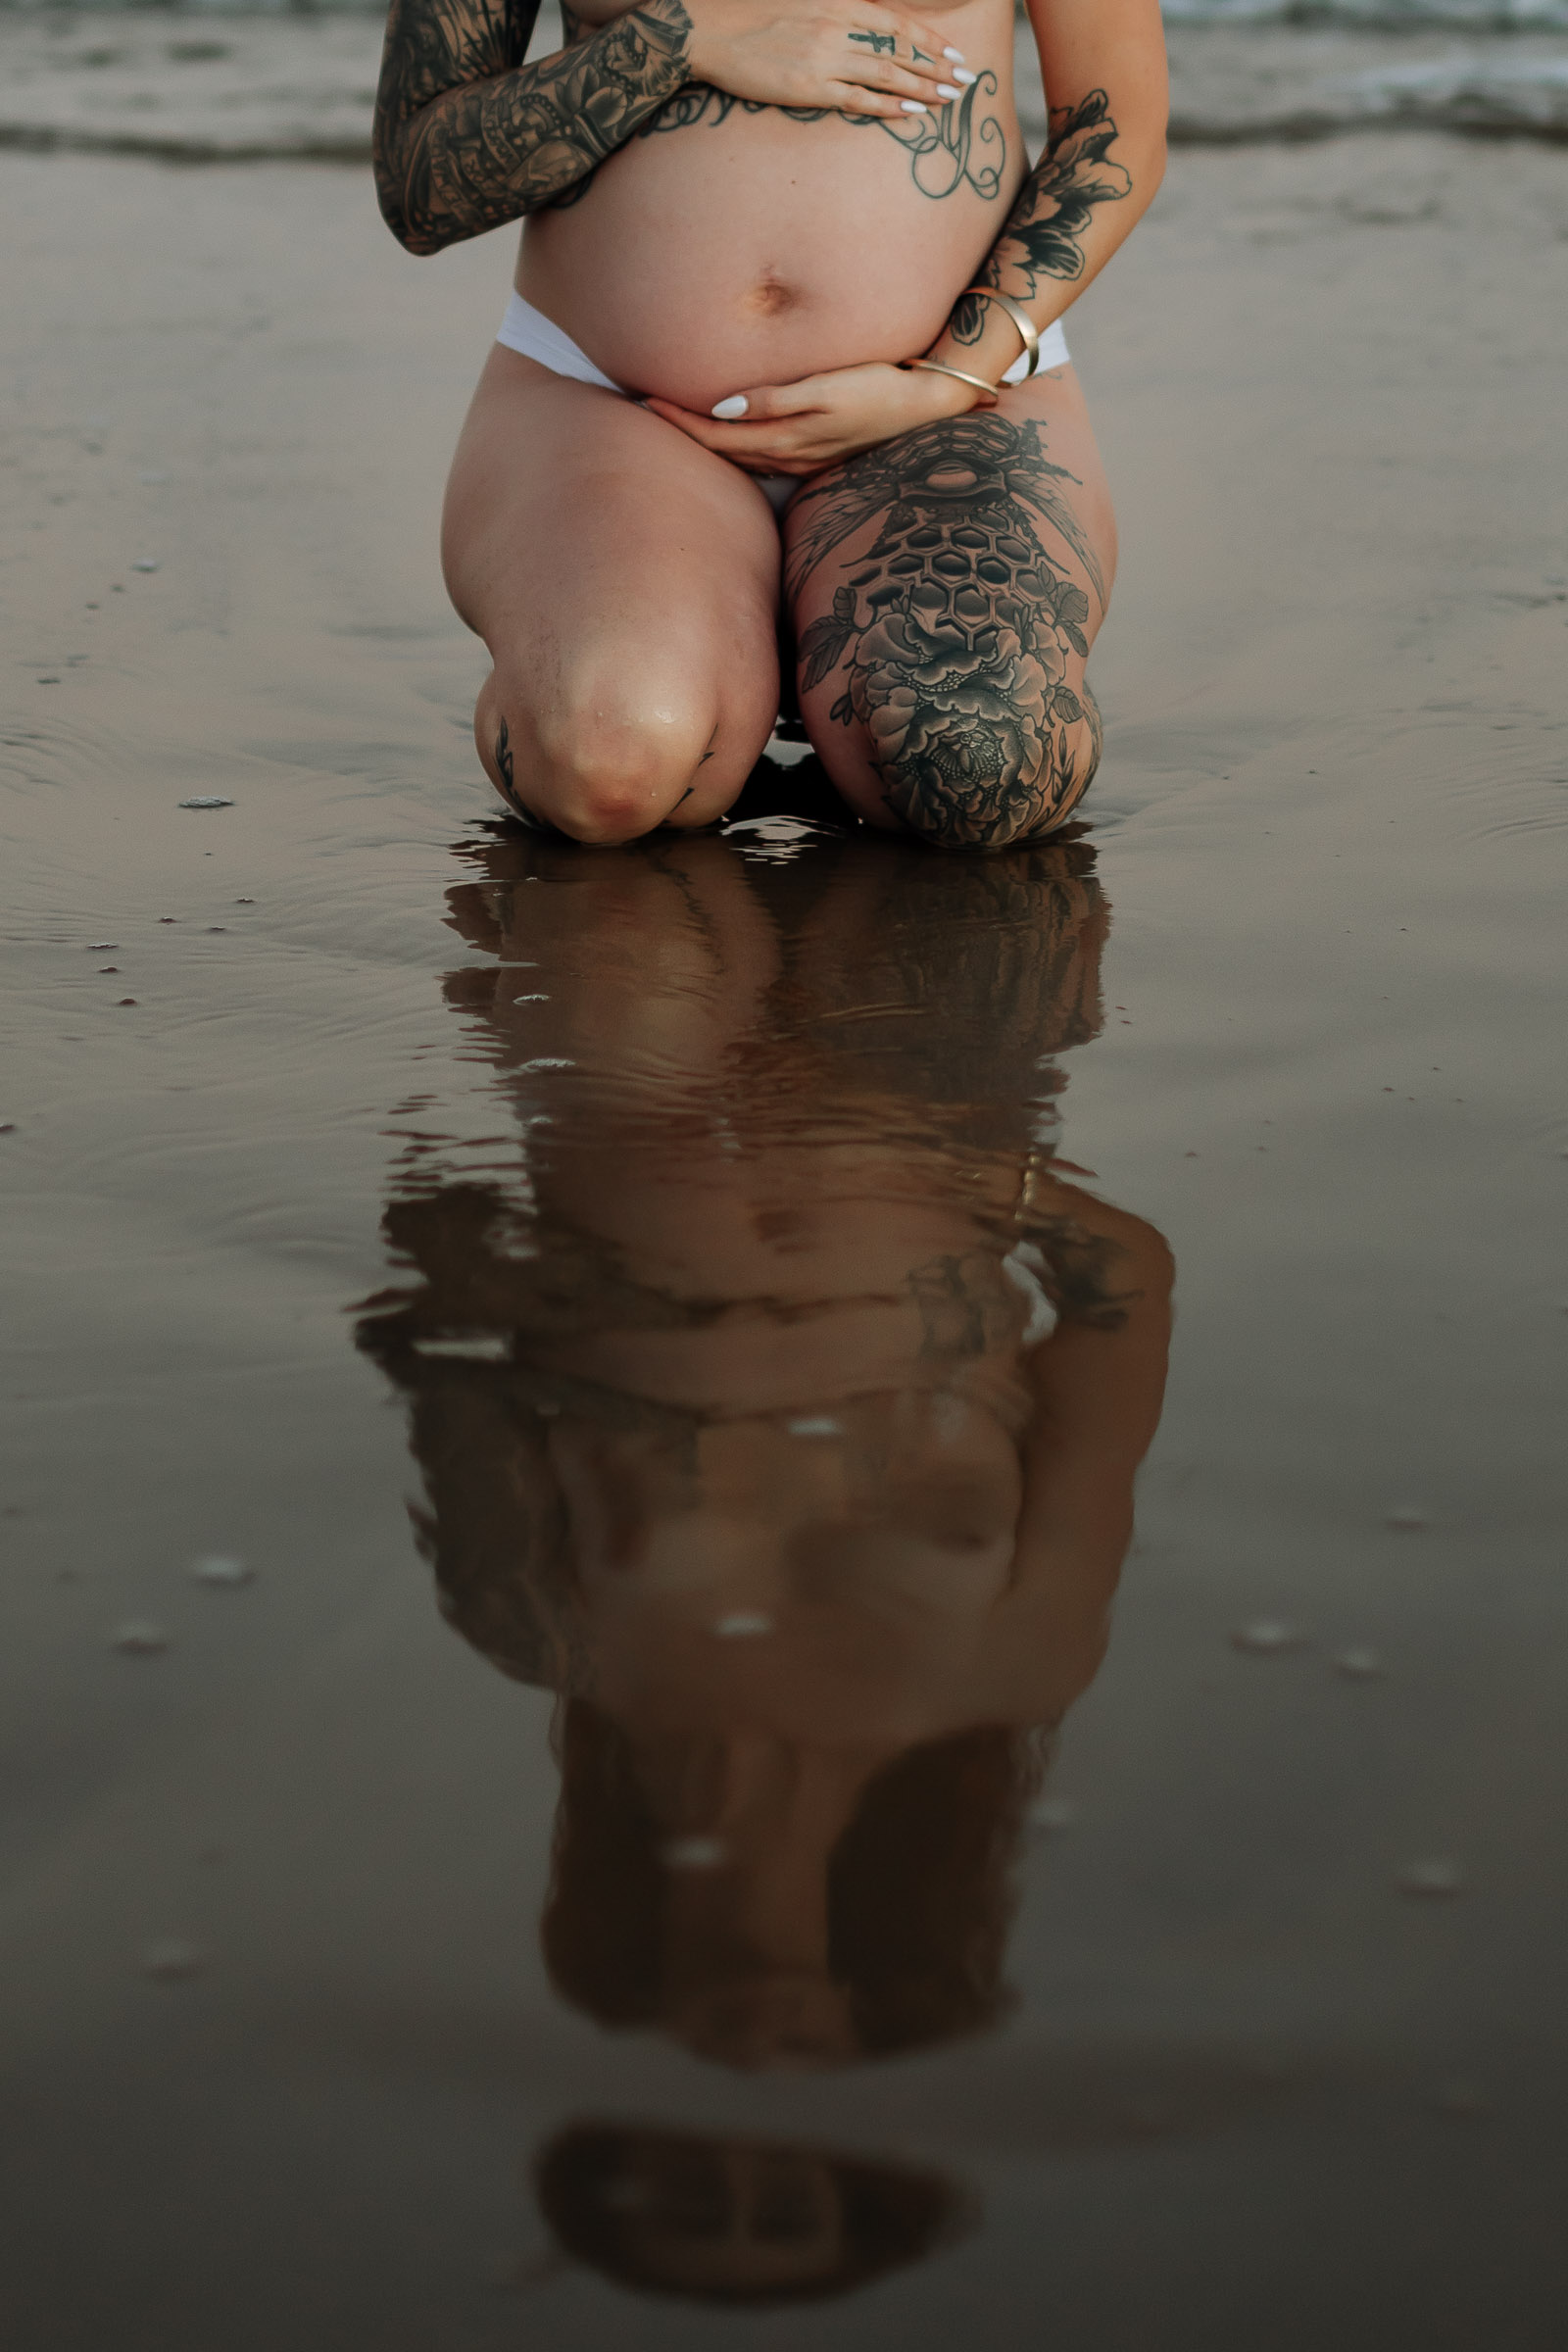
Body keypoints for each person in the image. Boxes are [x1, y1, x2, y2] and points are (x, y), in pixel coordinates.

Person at [372, 0, 1168, 848]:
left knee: (985, 770)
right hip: (615, 402)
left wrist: (949, 378)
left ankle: (804, 701)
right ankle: (710, 667)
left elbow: (1115, 123)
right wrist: (680, 41)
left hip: (944, 406)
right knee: (609, 758)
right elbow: (421, 187)